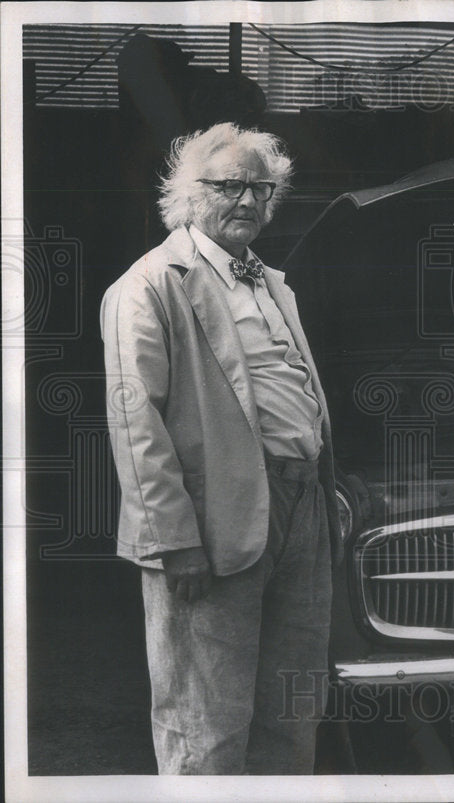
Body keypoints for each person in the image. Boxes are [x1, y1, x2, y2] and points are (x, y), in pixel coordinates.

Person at [101, 122, 340, 774]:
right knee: (204, 725)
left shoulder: (268, 281)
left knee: (291, 714)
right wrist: (171, 537)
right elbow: (134, 424)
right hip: (209, 520)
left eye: (261, 189)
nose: (248, 201)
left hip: (301, 509)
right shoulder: (150, 285)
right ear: (187, 193)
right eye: (229, 185)